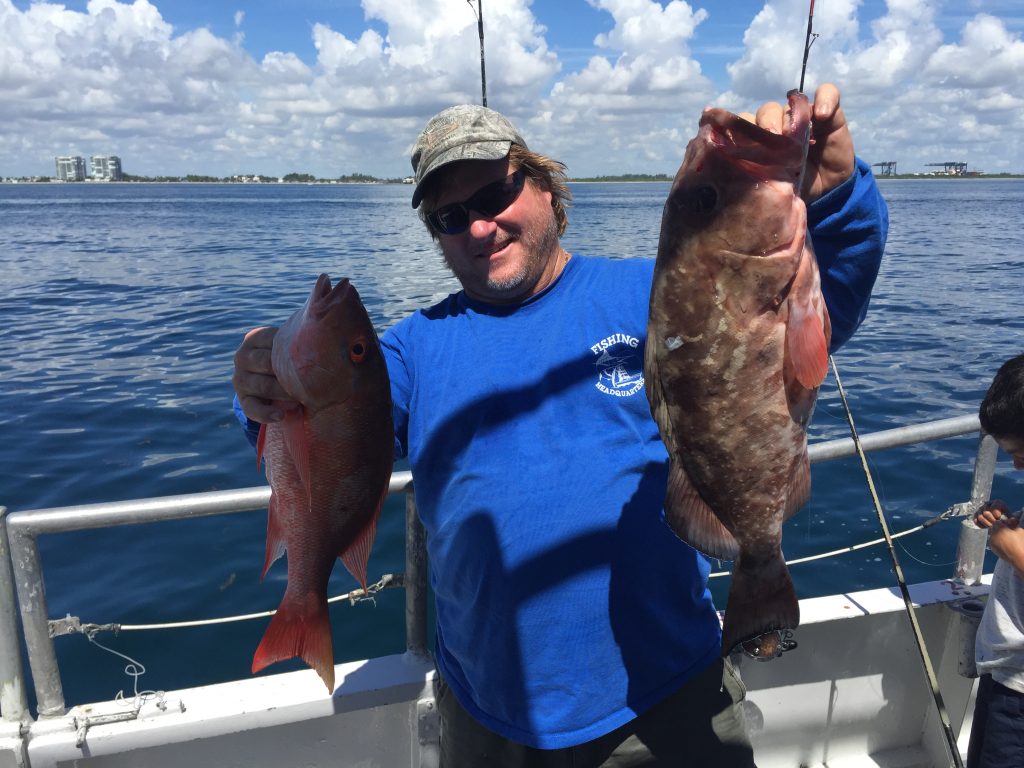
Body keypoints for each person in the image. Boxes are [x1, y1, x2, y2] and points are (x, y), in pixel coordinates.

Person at [232, 83, 888, 767]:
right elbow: (323, 433)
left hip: (659, 697)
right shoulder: (411, 349)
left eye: (493, 196)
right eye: (451, 218)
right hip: (485, 710)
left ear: (547, 188)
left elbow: (823, 300)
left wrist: (836, 195)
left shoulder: (655, 290)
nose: (479, 227)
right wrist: (258, 383)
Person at [966, 353, 1024, 768]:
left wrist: (1009, 545)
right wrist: (1010, 522)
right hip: (1005, 675)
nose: (1016, 463)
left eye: (1021, 451)